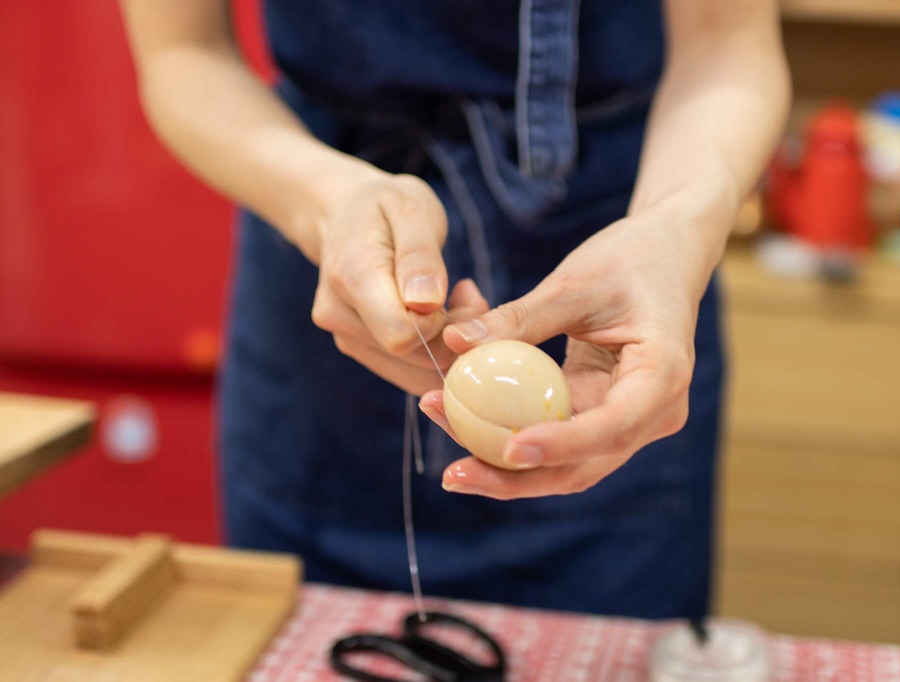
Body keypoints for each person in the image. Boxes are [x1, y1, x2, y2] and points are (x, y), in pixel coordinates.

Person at [119, 0, 789, 619]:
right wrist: (325, 202)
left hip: (621, 269)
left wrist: (679, 226)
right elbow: (185, 54)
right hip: (331, 269)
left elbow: (726, 48)